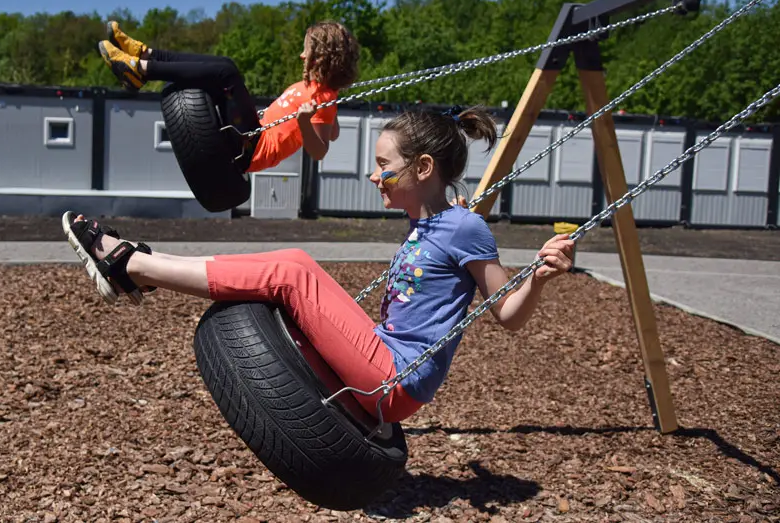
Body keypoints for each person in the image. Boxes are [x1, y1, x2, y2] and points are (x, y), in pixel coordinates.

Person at [61, 106, 576, 423]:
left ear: (422, 169)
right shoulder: (434, 224)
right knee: (281, 297)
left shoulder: (464, 228)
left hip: (394, 377)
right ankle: (144, 262)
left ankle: (134, 266)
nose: (375, 177)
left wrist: (541, 276)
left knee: (293, 270)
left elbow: (507, 313)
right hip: (384, 365)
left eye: (384, 167)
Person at [97, 19, 359, 173]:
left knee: (225, 71)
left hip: (250, 147)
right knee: (222, 65)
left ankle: (141, 70)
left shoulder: (323, 96)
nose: (302, 56)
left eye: (307, 50)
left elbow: (320, 151)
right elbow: (332, 132)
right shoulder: (321, 93)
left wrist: (305, 123)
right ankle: (145, 56)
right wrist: (329, 111)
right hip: (249, 135)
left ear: (322, 56)